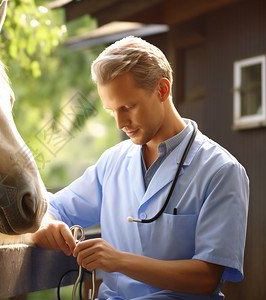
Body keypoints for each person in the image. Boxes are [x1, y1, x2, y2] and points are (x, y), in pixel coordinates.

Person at [31, 36, 249, 299]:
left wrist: (119, 261)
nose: (120, 122)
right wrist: (48, 224)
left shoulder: (221, 171)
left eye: (128, 107)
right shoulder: (112, 163)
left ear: (163, 90)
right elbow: (53, 208)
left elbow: (206, 277)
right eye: (112, 111)